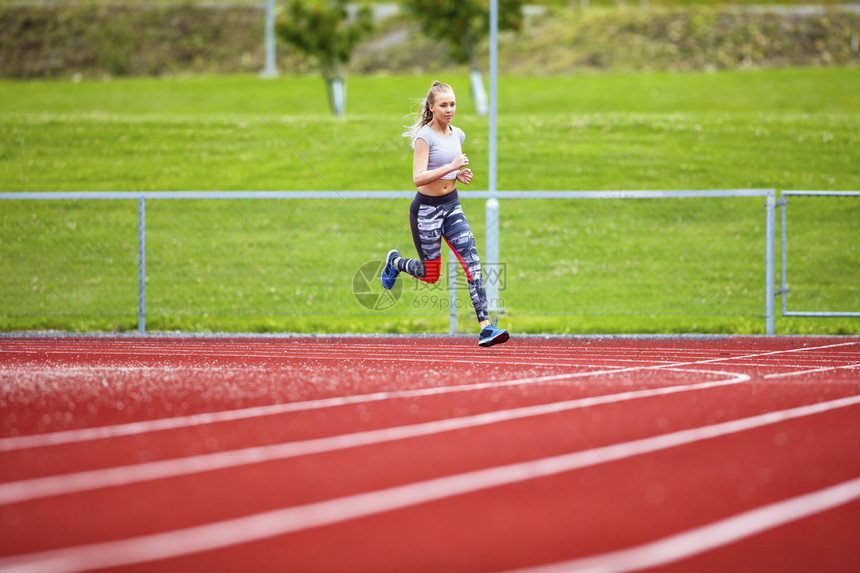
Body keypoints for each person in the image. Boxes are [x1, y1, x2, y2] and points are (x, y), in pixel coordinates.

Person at [380, 81, 509, 347]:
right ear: (431, 107)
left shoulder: (458, 134)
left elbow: (446, 170)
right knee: (431, 275)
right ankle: (395, 262)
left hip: (452, 207)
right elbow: (418, 177)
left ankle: (485, 327)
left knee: (472, 261)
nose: (449, 109)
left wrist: (457, 175)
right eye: (443, 105)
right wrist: (451, 165)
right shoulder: (423, 137)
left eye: (452, 104)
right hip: (426, 210)